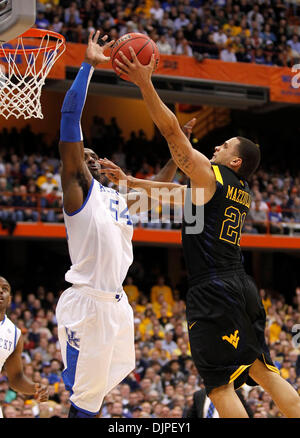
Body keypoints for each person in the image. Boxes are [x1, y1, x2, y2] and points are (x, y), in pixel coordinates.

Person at [100, 47, 300, 418]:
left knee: (219, 385)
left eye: (223, 146)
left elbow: (173, 133)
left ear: (235, 160)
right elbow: (175, 195)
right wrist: (130, 181)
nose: (215, 146)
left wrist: (145, 82)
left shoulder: (213, 175)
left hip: (214, 288)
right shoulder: (235, 188)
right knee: (265, 371)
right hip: (241, 285)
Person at [55, 30, 192, 419]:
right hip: (87, 304)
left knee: (97, 398)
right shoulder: (78, 193)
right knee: (83, 400)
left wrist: (179, 144)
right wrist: (87, 66)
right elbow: (68, 120)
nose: (93, 159)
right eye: (87, 156)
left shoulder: (116, 197)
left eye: (97, 156)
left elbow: (161, 188)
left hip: (117, 307)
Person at [0, 276, 48, 418]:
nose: (1, 291)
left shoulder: (14, 333)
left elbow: (16, 378)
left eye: (5, 289)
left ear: (9, 299)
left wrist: (35, 388)